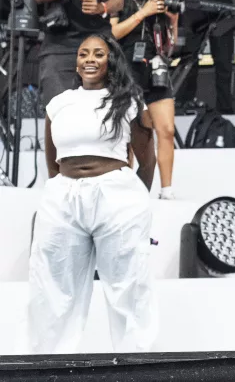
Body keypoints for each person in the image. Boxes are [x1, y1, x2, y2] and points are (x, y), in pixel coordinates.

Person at [28, 34, 157, 353]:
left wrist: (134, 200)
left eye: (98, 54)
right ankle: (49, 364)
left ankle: (136, 363)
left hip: (116, 195)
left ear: (110, 60)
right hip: (64, 198)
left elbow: (147, 159)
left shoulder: (128, 101)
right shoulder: (58, 103)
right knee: (52, 285)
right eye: (83, 53)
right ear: (76, 61)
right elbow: (53, 162)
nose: (89, 59)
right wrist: (64, 193)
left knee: (128, 285)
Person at [110, 0, 179, 199]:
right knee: (127, 136)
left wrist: (173, 21)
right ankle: (124, 192)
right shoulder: (119, 0)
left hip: (156, 71)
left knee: (167, 130)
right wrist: (143, 13)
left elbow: (170, 47)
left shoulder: (157, 0)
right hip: (127, 73)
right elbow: (112, 34)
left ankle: (167, 190)